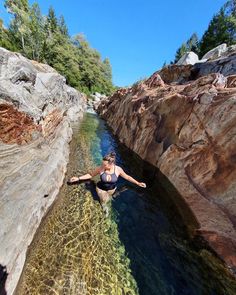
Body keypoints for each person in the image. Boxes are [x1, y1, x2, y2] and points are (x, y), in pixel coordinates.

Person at [69, 151, 146, 216]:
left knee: (112, 196)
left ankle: (109, 199)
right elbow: (90, 175)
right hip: (101, 189)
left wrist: (138, 183)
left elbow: (127, 177)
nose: (103, 165)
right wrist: (78, 178)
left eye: (105, 164)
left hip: (112, 189)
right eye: (103, 164)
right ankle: (104, 207)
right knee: (104, 201)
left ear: (111, 164)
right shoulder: (101, 168)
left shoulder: (118, 170)